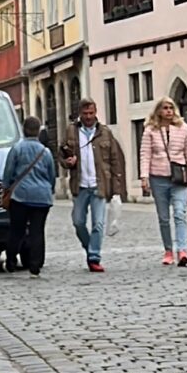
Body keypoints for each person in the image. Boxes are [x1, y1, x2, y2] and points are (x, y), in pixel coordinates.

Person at [63, 97, 128, 273]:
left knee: (98, 224)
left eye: (91, 113)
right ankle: (89, 246)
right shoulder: (71, 131)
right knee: (78, 222)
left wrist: (116, 188)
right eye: (85, 114)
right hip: (80, 185)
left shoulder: (105, 132)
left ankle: (94, 257)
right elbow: (61, 155)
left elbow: (115, 161)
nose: (89, 117)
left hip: (100, 184)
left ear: (96, 112)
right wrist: (68, 161)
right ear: (80, 114)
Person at [140, 97, 187, 267]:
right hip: (158, 177)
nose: (168, 111)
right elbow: (145, 155)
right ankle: (168, 251)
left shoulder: (183, 128)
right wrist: (144, 176)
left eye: (171, 108)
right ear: (159, 111)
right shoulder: (150, 130)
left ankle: (182, 250)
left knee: (180, 213)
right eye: (165, 108)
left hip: (179, 177)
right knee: (164, 218)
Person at [1, 114, 58, 277]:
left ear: (24, 130)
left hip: (20, 196)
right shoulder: (45, 152)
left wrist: (5, 189)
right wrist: (50, 190)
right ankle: (35, 264)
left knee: (17, 230)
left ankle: (11, 261)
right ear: (38, 131)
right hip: (41, 197)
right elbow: (51, 175)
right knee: (37, 231)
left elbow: (9, 172)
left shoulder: (17, 149)